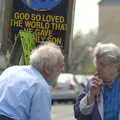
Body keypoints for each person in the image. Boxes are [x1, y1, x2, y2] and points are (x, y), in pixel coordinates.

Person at [0, 42, 64, 120]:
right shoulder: (40, 86)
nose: (62, 70)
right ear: (47, 69)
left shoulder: (11, 70)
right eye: (60, 66)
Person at [74, 42, 120, 120]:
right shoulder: (92, 84)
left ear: (116, 66)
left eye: (102, 64)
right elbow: (79, 115)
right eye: (97, 64)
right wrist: (90, 96)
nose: (98, 68)